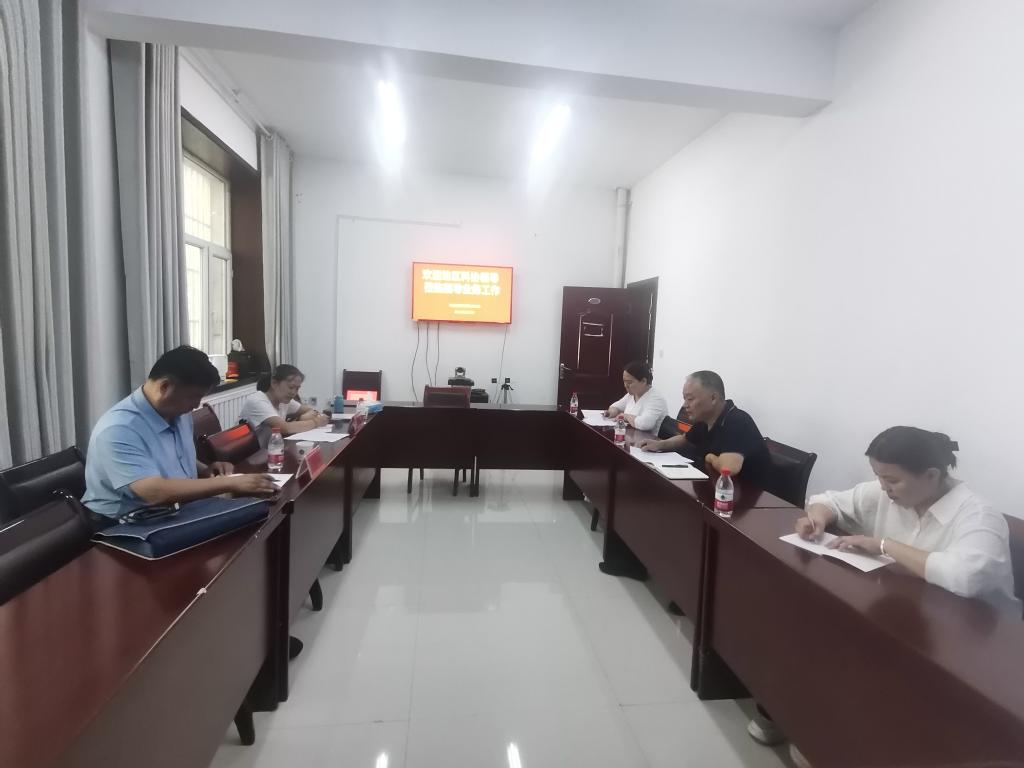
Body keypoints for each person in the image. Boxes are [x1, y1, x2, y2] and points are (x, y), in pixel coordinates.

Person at [749, 426, 1018, 768]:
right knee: (810, 626)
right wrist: (816, 519)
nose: (883, 487)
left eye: (891, 480)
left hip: (973, 650)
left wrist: (882, 545)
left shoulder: (978, 516)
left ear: (932, 475)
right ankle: (791, 716)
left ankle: (827, 739)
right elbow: (829, 500)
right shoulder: (889, 493)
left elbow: (965, 576)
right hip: (906, 618)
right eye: (878, 477)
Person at [83, 345, 277, 520]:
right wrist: (229, 483)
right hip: (124, 524)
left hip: (174, 509)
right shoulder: (119, 429)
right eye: (193, 397)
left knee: (258, 514)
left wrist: (205, 469)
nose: (196, 405)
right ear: (165, 386)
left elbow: (173, 457)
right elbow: (152, 492)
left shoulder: (177, 412)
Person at [638, 370, 770, 485]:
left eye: (690, 399)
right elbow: (685, 439)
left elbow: (728, 468)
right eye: (684, 399)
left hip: (752, 495)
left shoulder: (737, 421)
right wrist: (659, 444)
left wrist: (709, 457)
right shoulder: (704, 419)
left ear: (713, 398)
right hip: (716, 486)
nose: (684, 405)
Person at [239, 364, 329, 449]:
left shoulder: (283, 400)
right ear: (274, 383)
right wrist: (316, 422)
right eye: (291, 387)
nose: (294, 393)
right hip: (249, 454)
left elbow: (309, 410)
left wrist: (303, 418)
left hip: (271, 448)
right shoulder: (257, 400)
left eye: (297, 388)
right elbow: (284, 428)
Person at [604, 360, 668, 432]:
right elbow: (615, 406)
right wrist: (611, 412)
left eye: (629, 382)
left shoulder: (656, 399)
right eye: (624, 381)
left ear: (643, 381)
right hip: (631, 435)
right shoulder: (632, 394)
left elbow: (645, 424)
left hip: (647, 438)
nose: (625, 385)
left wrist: (626, 416)